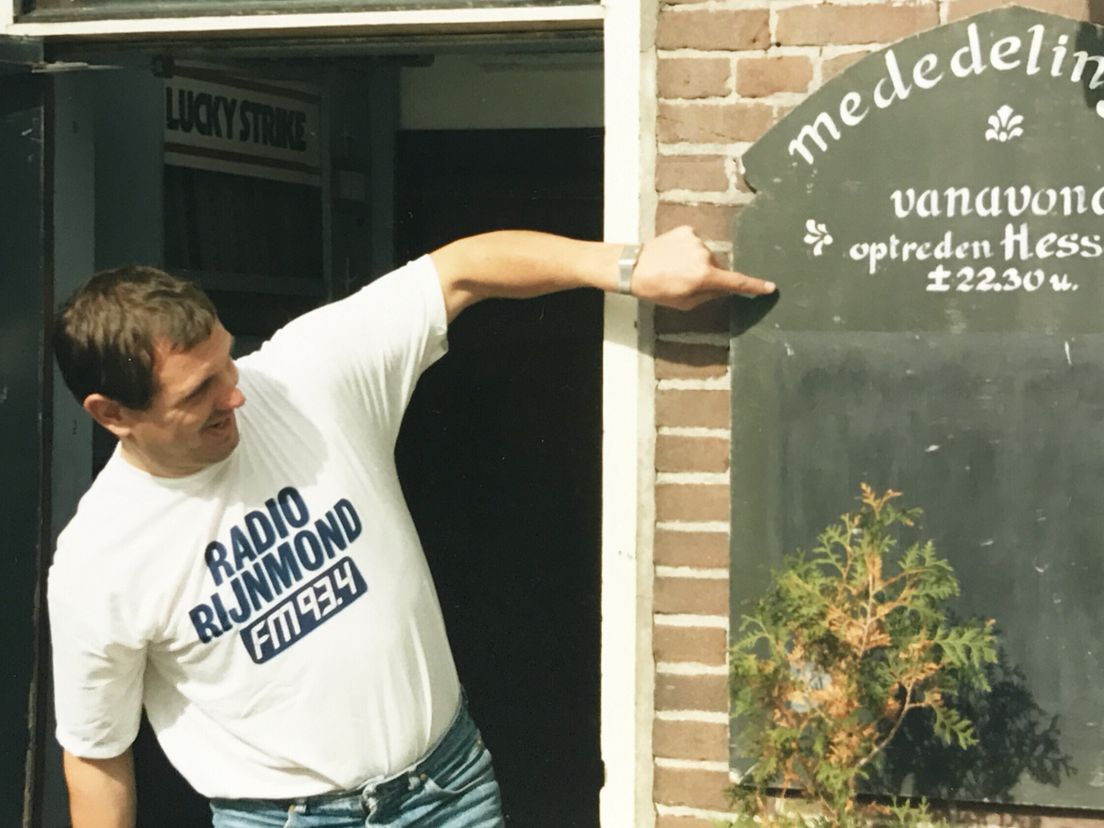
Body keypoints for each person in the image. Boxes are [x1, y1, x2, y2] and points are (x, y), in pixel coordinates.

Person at [48, 227, 776, 828]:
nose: (235, 392)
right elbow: (97, 756)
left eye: (226, 361)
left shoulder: (305, 377)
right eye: (198, 390)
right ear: (112, 414)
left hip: (448, 791)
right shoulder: (98, 562)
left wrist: (625, 266)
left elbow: (459, 273)